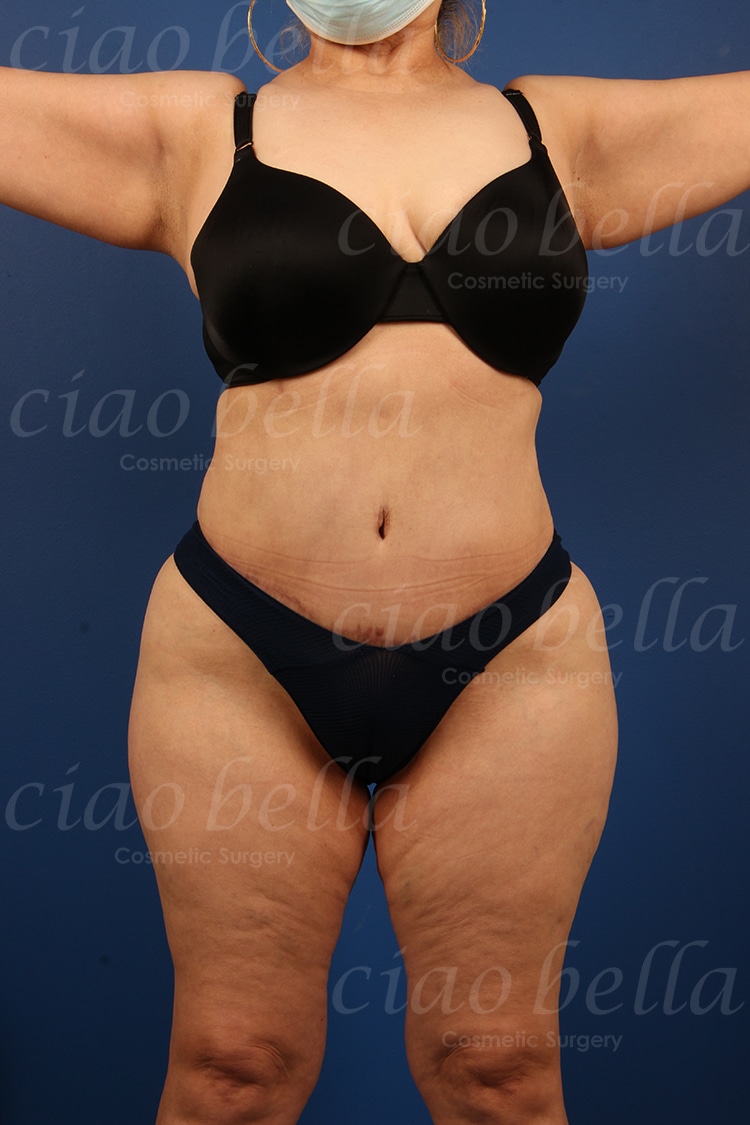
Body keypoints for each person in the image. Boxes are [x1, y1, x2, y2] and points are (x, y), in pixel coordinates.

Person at [1, 1, 748, 1122]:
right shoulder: (197, 132)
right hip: (240, 656)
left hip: (511, 660)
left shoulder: (560, 132)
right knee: (230, 1069)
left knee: (499, 1072)